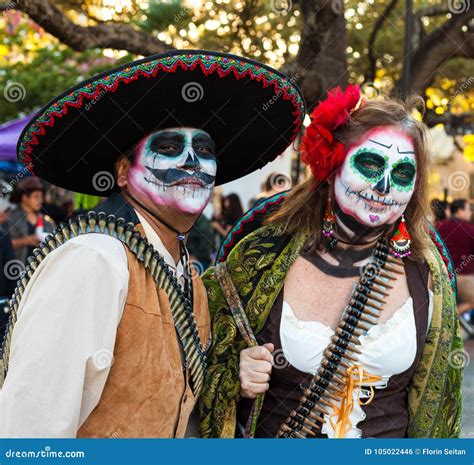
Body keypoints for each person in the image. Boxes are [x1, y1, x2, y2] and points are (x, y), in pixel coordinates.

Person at [0, 50, 305, 438]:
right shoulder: (93, 260)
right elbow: (30, 431)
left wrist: (236, 378)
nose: (193, 161)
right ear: (124, 172)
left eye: (206, 151)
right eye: (169, 147)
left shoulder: (187, 276)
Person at [199, 86, 463, 439]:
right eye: (369, 164)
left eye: (401, 174)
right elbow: (194, 365)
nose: (384, 186)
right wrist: (237, 376)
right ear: (331, 164)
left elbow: (439, 402)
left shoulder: (428, 273)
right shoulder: (260, 258)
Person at [5, 177, 55, 263]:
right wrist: (25, 241)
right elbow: (4, 244)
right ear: (24, 197)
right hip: (15, 269)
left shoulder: (46, 221)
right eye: (36, 197)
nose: (40, 200)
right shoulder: (9, 218)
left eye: (41, 197)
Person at [437, 199, 474, 312]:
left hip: (441, 276)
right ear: (459, 211)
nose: (470, 212)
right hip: (463, 278)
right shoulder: (470, 229)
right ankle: (453, 315)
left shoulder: (438, 226)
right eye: (468, 209)